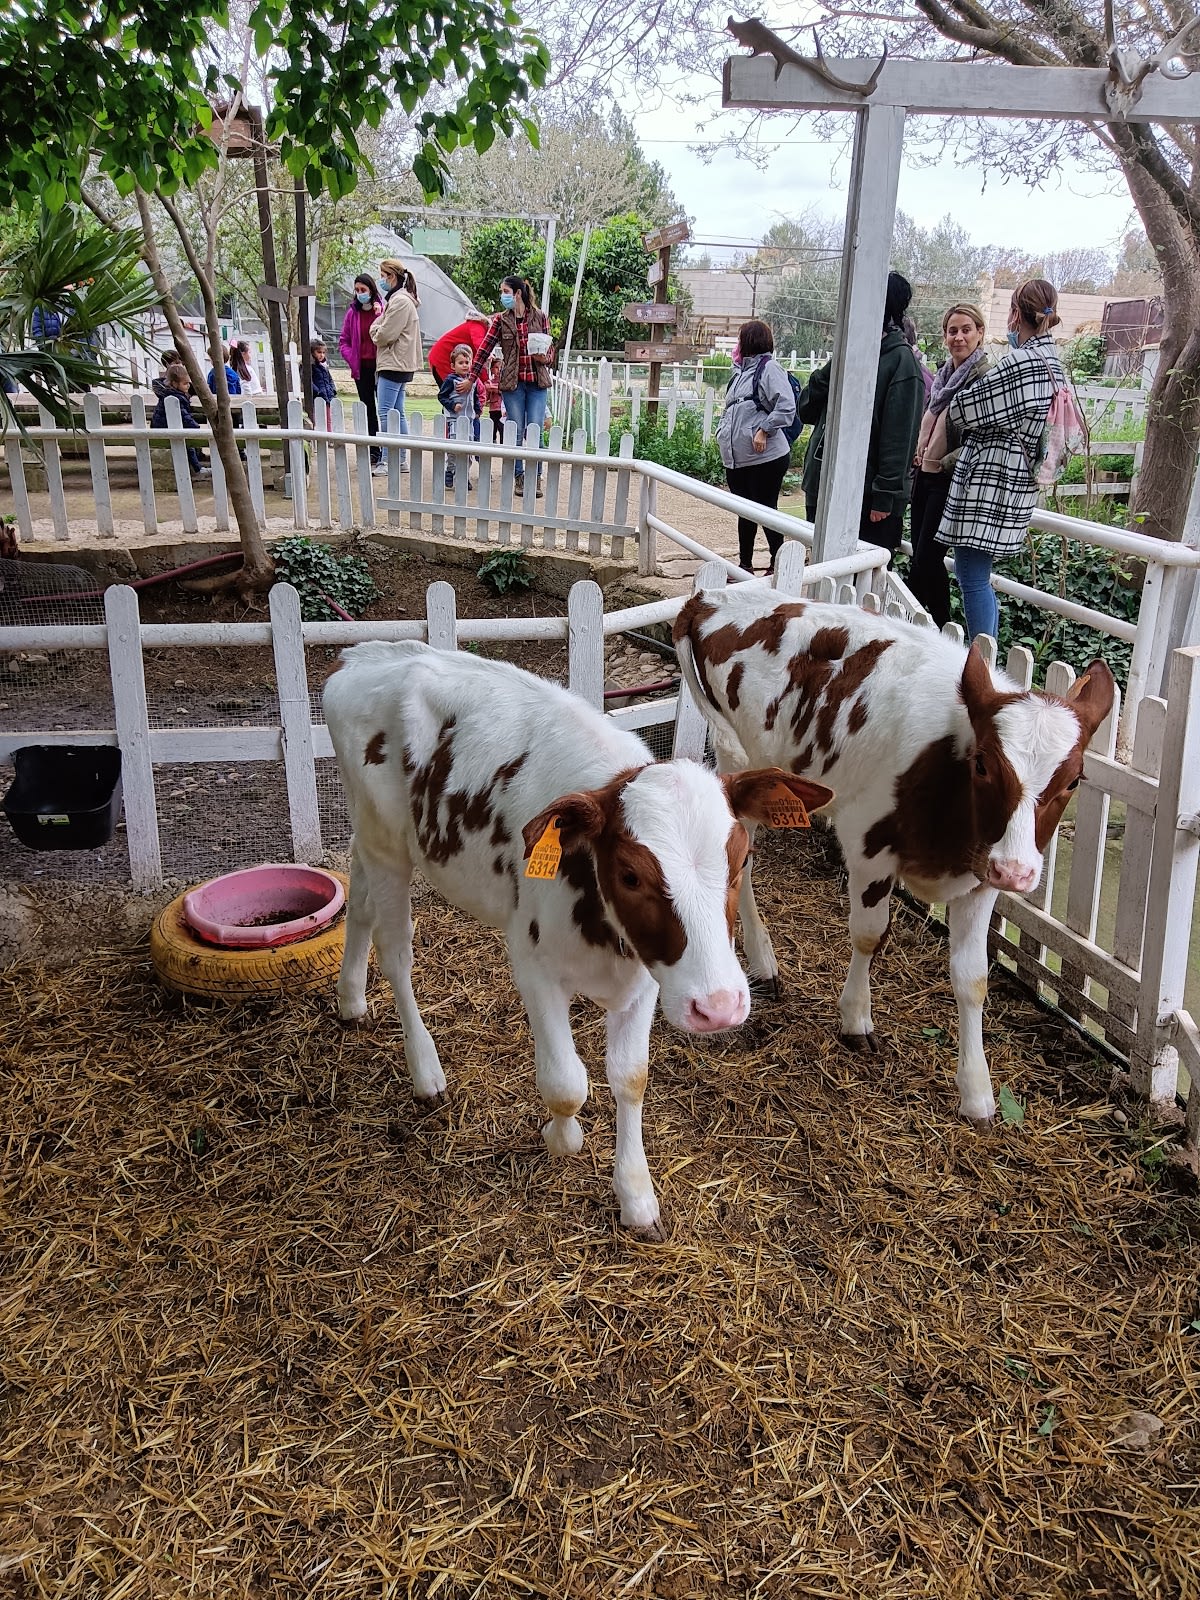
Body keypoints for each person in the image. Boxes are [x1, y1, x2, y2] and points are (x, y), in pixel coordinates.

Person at [936, 278, 1065, 643]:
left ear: (1014, 315)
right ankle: (986, 657)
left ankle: (983, 663)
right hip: (1019, 481)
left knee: (972, 577)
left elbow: (963, 409)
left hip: (991, 482)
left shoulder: (1022, 363)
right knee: (978, 576)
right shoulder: (1054, 362)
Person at [797, 270, 925, 561]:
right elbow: (805, 408)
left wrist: (884, 496)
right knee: (823, 576)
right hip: (823, 485)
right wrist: (833, 368)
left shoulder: (900, 364)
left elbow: (899, 437)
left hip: (868, 500)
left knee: (862, 587)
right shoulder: (847, 355)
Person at [906, 304, 989, 629]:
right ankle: (942, 629)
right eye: (952, 331)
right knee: (925, 558)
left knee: (926, 558)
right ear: (944, 336)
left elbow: (981, 437)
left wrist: (943, 461)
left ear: (979, 333)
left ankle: (910, 625)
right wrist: (921, 451)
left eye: (966, 329)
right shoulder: (943, 378)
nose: (959, 337)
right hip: (923, 477)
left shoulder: (982, 378)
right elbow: (935, 424)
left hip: (949, 480)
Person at [459, 276, 553, 494]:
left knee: (536, 430)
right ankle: (520, 477)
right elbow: (484, 349)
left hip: (537, 381)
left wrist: (544, 359)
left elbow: (549, 350)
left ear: (517, 293)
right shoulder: (501, 321)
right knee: (515, 430)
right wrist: (471, 378)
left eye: (505, 291)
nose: (503, 296)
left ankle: (536, 477)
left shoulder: (540, 317)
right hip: (513, 383)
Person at [716, 319, 796, 574]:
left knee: (766, 509)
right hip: (739, 459)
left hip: (765, 458)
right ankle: (745, 565)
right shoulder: (740, 373)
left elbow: (786, 407)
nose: (737, 345)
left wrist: (764, 430)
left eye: (740, 339)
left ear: (749, 341)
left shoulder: (769, 369)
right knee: (745, 511)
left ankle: (778, 563)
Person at [370, 259, 421, 477]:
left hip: (394, 363)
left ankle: (387, 459)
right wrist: (377, 328)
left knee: (385, 411)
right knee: (397, 412)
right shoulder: (399, 300)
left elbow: (383, 334)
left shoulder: (400, 301)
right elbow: (379, 325)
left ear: (392, 276)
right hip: (399, 362)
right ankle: (399, 459)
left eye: (383, 275)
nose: (381, 280)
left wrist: (375, 332)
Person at [340, 274, 384, 466]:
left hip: (381, 367)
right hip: (362, 369)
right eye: (357, 290)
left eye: (363, 290)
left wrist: (379, 313)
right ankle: (374, 450)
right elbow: (344, 341)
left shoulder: (381, 310)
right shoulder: (352, 313)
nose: (360, 294)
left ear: (371, 290)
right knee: (368, 410)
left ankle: (389, 449)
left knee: (385, 409)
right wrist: (352, 359)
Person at [437, 344, 484, 488]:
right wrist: (452, 405)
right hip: (454, 420)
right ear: (453, 365)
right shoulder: (450, 380)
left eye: (467, 362)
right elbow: (441, 396)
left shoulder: (473, 380)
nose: (464, 366)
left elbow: (475, 396)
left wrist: (477, 410)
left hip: (469, 420)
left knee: (467, 450)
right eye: (460, 363)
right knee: (454, 449)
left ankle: (464, 477)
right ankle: (450, 470)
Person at [150, 366, 210, 477]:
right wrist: (195, 427)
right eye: (185, 383)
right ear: (174, 383)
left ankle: (195, 466)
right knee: (189, 446)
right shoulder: (176, 398)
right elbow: (184, 416)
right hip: (165, 429)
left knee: (189, 443)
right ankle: (197, 469)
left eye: (188, 383)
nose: (188, 386)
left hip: (166, 427)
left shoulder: (171, 394)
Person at [429, 312, 490, 385]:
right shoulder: (478, 327)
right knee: (456, 389)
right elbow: (482, 352)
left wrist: (485, 381)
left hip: (444, 357)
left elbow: (479, 359)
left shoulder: (476, 326)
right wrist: (486, 381)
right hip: (442, 358)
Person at [483, 353, 505, 443]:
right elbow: (486, 396)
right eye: (496, 367)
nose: (498, 370)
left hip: (502, 409)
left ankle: (503, 445)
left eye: (501, 367)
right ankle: (493, 441)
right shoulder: (490, 382)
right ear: (492, 369)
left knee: (502, 427)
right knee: (493, 427)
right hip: (493, 409)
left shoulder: (504, 383)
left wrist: (495, 389)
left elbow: (503, 391)